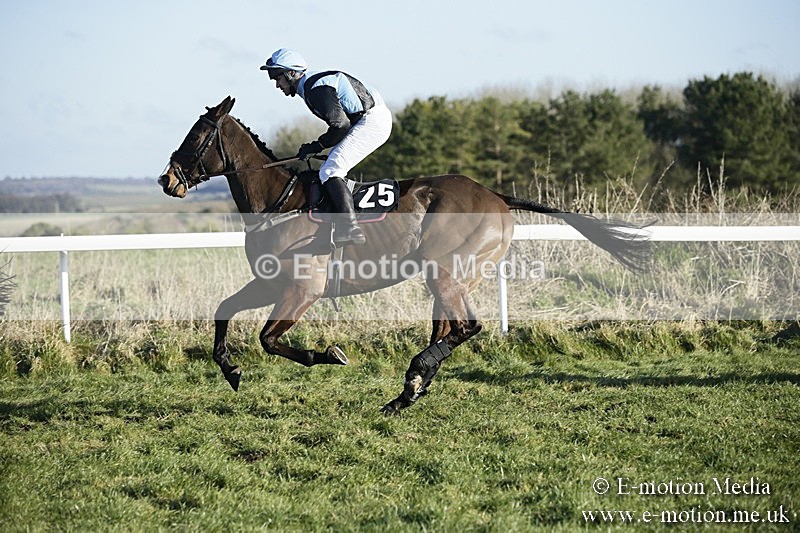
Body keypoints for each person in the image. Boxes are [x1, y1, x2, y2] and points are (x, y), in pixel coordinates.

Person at [260, 48, 392, 246]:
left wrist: (317, 146)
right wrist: (319, 146)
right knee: (332, 167)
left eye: (278, 77)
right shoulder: (312, 87)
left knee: (331, 170)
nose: (277, 85)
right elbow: (341, 125)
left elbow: (340, 126)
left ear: (291, 73)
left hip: (371, 121)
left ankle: (350, 227)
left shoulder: (315, 89)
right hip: (367, 119)